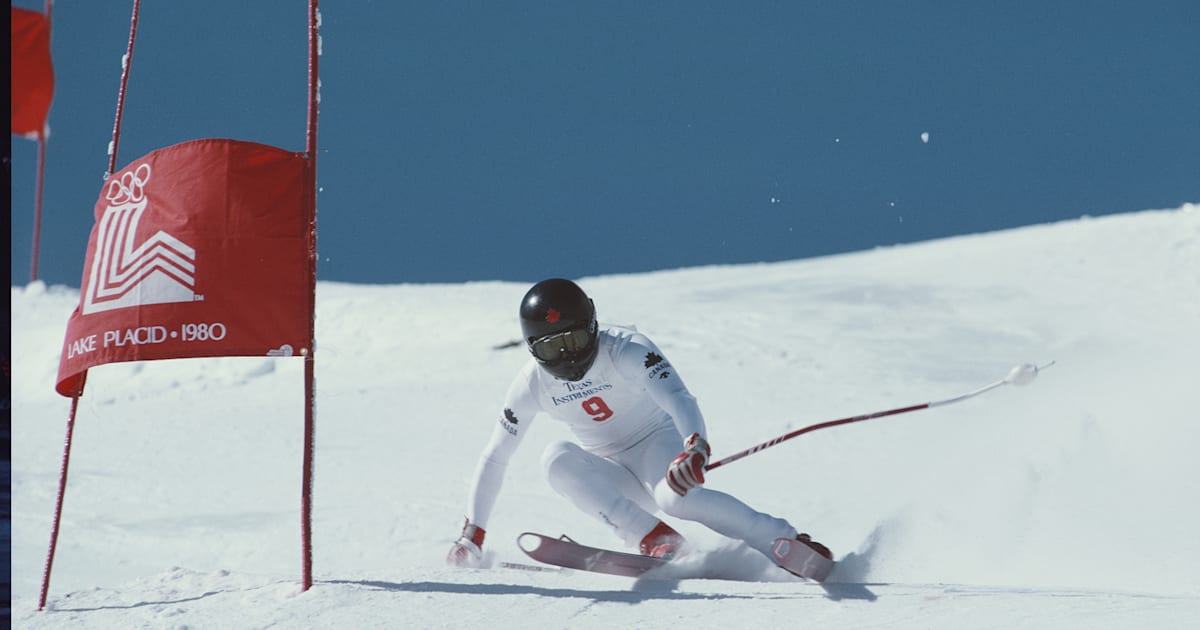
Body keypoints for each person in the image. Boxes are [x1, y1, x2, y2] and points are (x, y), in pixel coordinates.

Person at [447, 278, 831, 571]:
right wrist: (474, 533)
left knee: (674, 499)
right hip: (612, 472)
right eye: (550, 348)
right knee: (555, 459)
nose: (567, 355)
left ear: (593, 325)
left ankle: (783, 539)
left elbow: (677, 397)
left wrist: (694, 446)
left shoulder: (628, 349)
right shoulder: (532, 383)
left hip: (656, 446)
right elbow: (496, 456)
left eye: (576, 339)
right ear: (532, 348)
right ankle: (654, 537)